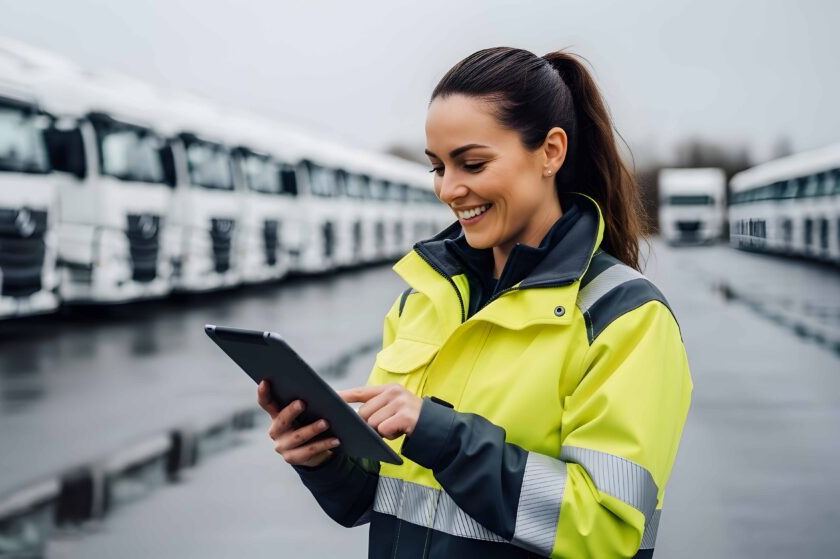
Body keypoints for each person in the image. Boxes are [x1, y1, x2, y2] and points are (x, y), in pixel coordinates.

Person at [257, 47, 692, 558]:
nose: (449, 189)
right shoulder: (420, 303)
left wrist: (442, 436)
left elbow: (606, 531)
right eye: (437, 167)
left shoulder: (625, 319)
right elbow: (378, 498)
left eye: (472, 163)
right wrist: (323, 458)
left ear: (551, 152)